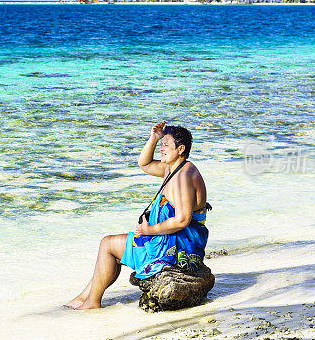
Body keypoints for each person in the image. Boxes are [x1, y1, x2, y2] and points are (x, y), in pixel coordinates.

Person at [66, 122, 209, 310]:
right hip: (171, 238)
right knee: (112, 248)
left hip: (179, 245)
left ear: (180, 149)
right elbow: (145, 164)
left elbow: (182, 220)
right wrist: (153, 138)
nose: (162, 148)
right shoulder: (172, 168)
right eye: (161, 144)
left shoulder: (183, 176)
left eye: (166, 144)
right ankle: (84, 298)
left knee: (107, 244)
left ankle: (92, 303)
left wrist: (148, 229)